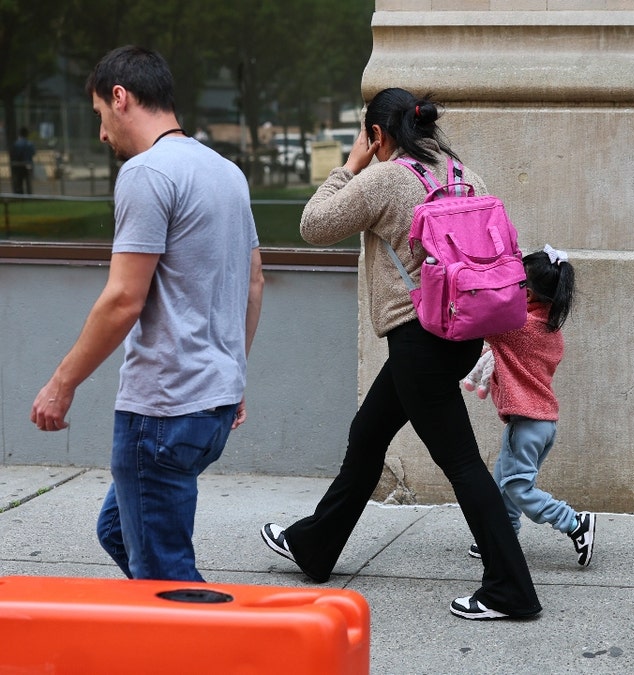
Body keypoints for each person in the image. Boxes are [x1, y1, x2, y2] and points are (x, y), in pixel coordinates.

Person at [259, 87, 542, 621]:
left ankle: (511, 589)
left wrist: (349, 165)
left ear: (378, 134)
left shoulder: (385, 179)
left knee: (460, 462)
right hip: (461, 334)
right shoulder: (461, 173)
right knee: (368, 434)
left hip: (418, 342)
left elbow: (314, 225)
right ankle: (315, 547)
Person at [29, 46, 264, 582]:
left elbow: (122, 299)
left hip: (162, 410)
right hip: (211, 404)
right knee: (118, 531)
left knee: (166, 576)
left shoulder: (146, 173)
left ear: (120, 97)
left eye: (99, 117)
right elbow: (254, 283)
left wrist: (61, 384)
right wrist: (233, 373)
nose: (102, 134)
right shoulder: (227, 173)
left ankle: (210, 652)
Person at [460, 245, 595, 567]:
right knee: (504, 479)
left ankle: (574, 522)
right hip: (541, 422)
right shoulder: (548, 328)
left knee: (517, 486)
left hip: (527, 422)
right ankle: (503, 534)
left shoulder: (517, 328)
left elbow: (476, 317)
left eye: (513, 284)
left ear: (529, 295)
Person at [10, 127, 36, 194]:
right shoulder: (30, 144)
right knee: (28, 182)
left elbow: (14, 154)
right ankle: (29, 195)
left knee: (19, 182)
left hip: (19, 165)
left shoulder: (16, 143)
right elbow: (33, 153)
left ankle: (20, 196)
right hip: (28, 164)